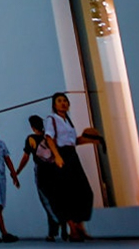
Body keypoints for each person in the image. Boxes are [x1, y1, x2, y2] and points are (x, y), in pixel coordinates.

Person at [46, 93, 100, 242]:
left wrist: (91, 140)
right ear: (54, 105)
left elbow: (73, 141)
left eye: (65, 101)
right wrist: (57, 156)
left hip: (72, 155)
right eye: (59, 101)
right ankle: (72, 229)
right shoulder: (52, 119)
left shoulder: (68, 121)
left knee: (83, 191)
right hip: (61, 155)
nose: (63, 103)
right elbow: (49, 138)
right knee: (66, 192)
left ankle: (80, 226)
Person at [15, 115, 62, 241]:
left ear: (32, 127)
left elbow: (26, 157)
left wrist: (17, 171)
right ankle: (63, 228)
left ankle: (53, 231)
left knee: (46, 200)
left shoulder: (31, 139)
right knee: (57, 199)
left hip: (41, 171)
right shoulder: (50, 137)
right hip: (55, 169)